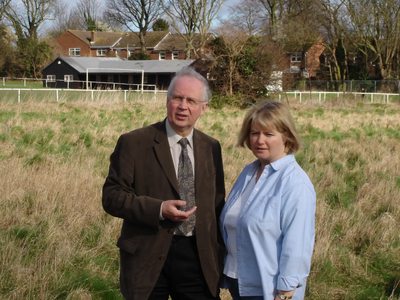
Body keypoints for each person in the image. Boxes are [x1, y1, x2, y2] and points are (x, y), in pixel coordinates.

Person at [102, 67, 225, 300]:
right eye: (177, 98)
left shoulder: (211, 147)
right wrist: (158, 210)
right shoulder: (133, 142)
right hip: (147, 257)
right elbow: (112, 197)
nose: (183, 106)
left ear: (203, 108)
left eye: (191, 100)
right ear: (167, 100)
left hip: (197, 259)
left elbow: (217, 205)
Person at [220, 101, 316, 300]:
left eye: (269, 134)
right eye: (255, 133)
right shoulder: (248, 172)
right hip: (238, 283)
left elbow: (297, 243)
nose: (259, 140)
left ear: (286, 136)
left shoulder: (295, 184)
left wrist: (286, 291)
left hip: (269, 291)